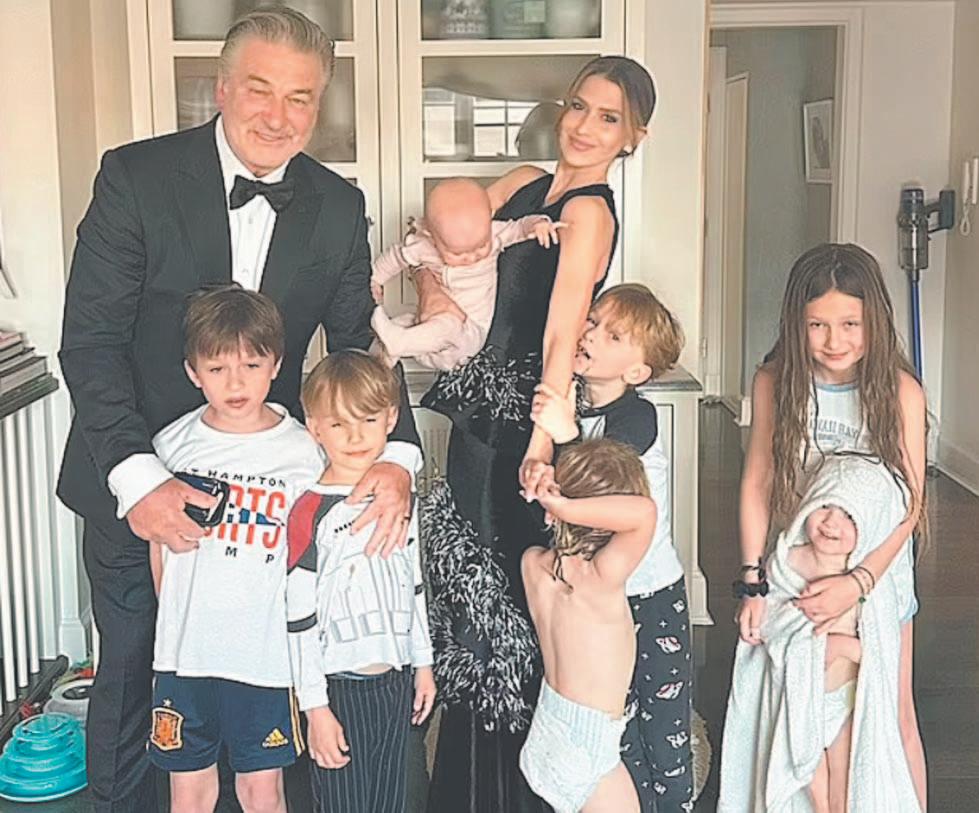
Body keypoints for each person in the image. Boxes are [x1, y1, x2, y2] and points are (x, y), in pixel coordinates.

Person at [56, 9, 420, 811]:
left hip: (272, 503)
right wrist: (140, 479)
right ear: (220, 89)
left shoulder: (337, 204)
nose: (278, 115)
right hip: (134, 484)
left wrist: (397, 457)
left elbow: (359, 347)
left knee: (275, 677)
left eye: (300, 97)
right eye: (260, 89)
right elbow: (90, 342)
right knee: (136, 676)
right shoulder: (135, 177)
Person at [419, 55, 657, 811]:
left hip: (522, 421)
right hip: (476, 411)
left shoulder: (591, 213)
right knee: (467, 592)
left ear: (632, 137)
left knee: (512, 611)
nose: (585, 126)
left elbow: (562, 329)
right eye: (578, 106)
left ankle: (507, 794)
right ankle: (464, 787)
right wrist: (433, 295)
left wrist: (542, 438)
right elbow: (431, 235)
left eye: (608, 117)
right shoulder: (523, 180)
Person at [734, 243, 927, 808]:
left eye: (850, 324)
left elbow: (910, 505)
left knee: (892, 712)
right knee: (800, 703)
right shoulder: (773, 382)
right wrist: (752, 582)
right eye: (817, 325)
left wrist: (859, 583)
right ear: (797, 323)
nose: (834, 341)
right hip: (800, 573)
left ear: (875, 322)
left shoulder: (900, 391)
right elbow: (757, 482)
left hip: (878, 578)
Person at [146, 286, 321, 812]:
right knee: (190, 790)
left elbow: (314, 551)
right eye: (218, 369)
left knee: (262, 790)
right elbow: (158, 541)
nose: (236, 382)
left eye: (251, 365)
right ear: (193, 372)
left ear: (277, 365)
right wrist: (174, 614)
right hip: (185, 654)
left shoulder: (304, 452)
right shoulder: (171, 446)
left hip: (265, 656)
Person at [530, 283, 693, 811]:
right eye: (594, 321)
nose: (592, 335)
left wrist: (564, 436)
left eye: (613, 335)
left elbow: (600, 478)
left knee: (664, 726)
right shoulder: (576, 407)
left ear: (637, 372)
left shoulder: (637, 417)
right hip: (603, 597)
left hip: (649, 592)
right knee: (611, 725)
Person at [720, 455, 920, 812]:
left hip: (845, 703)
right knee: (813, 788)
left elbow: (882, 649)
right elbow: (773, 626)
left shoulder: (869, 584)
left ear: (868, 523)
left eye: (849, 516)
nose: (831, 522)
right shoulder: (788, 562)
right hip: (799, 701)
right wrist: (813, 645)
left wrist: (844, 648)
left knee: (844, 787)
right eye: (824, 506)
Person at [285, 349, 436, 813]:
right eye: (338, 424)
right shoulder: (310, 510)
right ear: (314, 427)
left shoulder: (400, 500)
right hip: (338, 689)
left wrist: (423, 664)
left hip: (396, 681)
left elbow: (414, 586)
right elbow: (298, 619)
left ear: (391, 418)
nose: (355, 436)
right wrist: (315, 707)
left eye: (368, 420)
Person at [519, 439, 656, 813]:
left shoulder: (532, 563)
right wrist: (564, 506)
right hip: (588, 745)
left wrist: (555, 505)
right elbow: (645, 513)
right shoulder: (601, 578)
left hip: (547, 730)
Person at [370, 177, 563, 370]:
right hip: (428, 341)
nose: (472, 257)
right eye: (458, 254)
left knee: (447, 325)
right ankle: (380, 359)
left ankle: (398, 343)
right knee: (405, 322)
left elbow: (519, 227)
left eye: (482, 246)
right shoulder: (424, 245)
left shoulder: (494, 233)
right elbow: (395, 257)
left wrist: (538, 224)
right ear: (431, 236)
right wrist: (375, 279)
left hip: (467, 340)